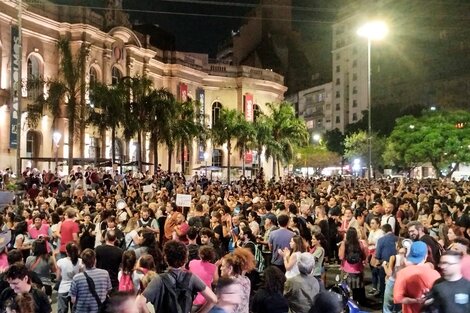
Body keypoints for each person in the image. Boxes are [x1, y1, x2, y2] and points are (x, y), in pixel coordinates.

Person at [135, 240, 217, 313]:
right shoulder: (192, 278)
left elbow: (139, 302)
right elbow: (213, 299)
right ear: (185, 259)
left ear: (165, 258)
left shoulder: (158, 279)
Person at [393, 241, 440, 313]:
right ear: (425, 255)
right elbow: (438, 297)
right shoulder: (435, 274)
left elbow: (398, 298)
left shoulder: (402, 273)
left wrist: (415, 300)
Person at [210, 247, 255, 313]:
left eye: (223, 266)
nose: (221, 268)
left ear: (230, 269)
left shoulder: (226, 284)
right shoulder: (246, 280)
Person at [70, 249, 112, 313]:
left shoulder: (76, 278)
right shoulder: (105, 273)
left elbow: (73, 300)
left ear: (82, 262)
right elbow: (108, 290)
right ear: (95, 260)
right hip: (99, 310)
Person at [338, 227, 368, 305]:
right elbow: (364, 256)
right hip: (358, 270)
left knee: (347, 290)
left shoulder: (345, 243)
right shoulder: (360, 243)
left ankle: (348, 303)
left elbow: (341, 257)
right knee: (359, 290)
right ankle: (360, 303)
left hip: (347, 271)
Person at [188, 245, 218, 311]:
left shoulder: (192, 263)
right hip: (207, 299)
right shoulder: (214, 267)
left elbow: (189, 276)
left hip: (193, 298)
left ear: (200, 254)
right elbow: (215, 281)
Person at [56, 242, 83, 313]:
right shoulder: (80, 262)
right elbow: (81, 276)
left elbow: (58, 278)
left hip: (63, 288)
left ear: (67, 252)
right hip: (76, 289)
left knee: (62, 310)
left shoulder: (60, 262)